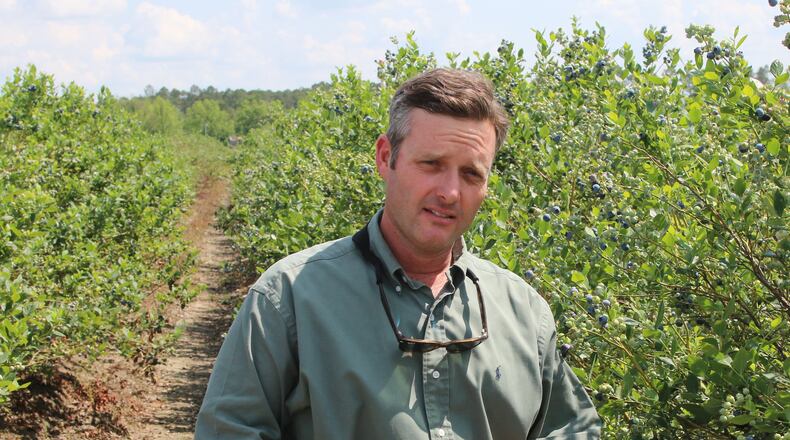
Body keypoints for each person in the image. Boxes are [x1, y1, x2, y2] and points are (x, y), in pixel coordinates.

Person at [195, 68, 602, 439]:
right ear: (386, 157)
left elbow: (572, 430)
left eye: (471, 173)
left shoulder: (524, 313)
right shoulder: (290, 299)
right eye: (431, 164)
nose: (450, 192)